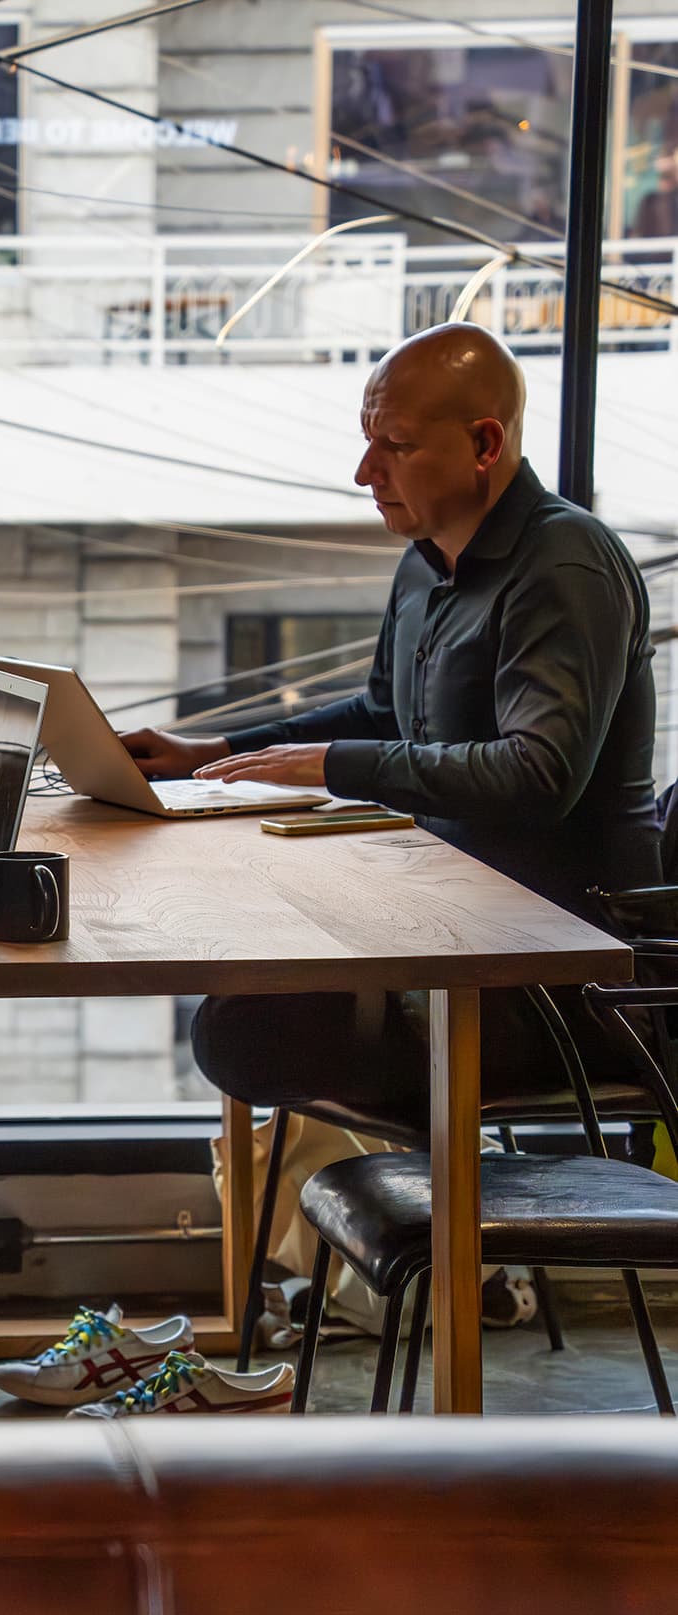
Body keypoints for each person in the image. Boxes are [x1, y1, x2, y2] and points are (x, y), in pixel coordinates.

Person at [123, 322, 660, 1119]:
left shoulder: (565, 564)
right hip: (456, 935)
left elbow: (537, 774)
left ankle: (445, 1229)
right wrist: (213, 750)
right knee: (242, 1001)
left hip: (570, 977)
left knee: (247, 1031)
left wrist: (329, 763)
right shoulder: (424, 561)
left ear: (483, 444)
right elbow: (384, 711)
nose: (363, 471)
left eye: (395, 446)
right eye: (366, 441)